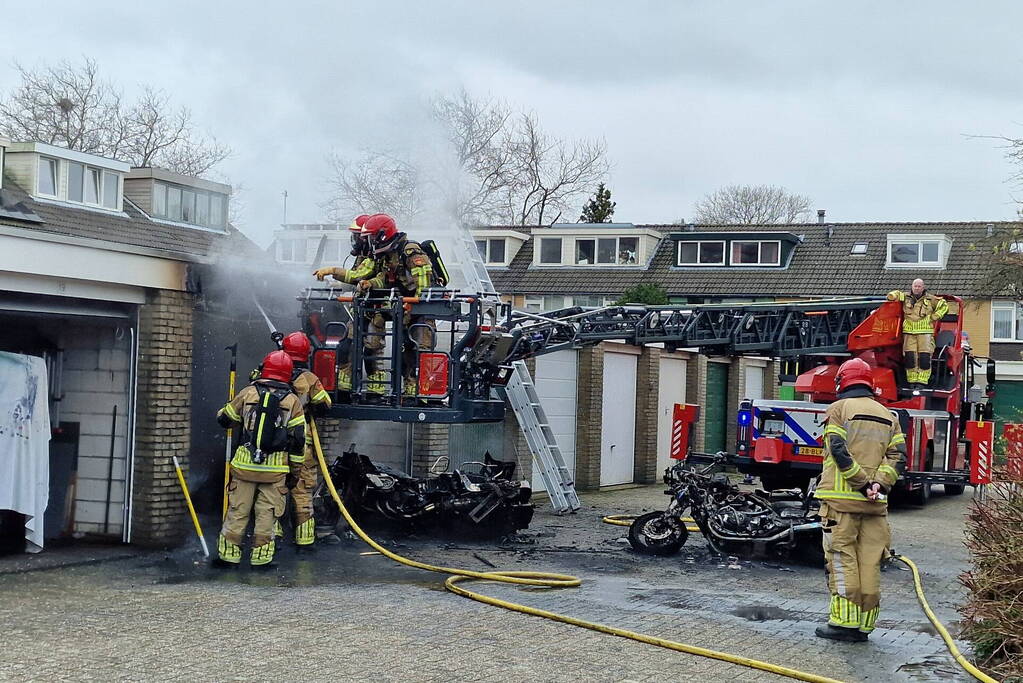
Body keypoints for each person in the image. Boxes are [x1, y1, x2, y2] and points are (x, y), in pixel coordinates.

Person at [814, 358, 906, 642]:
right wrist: (879, 484)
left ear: (842, 382)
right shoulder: (889, 415)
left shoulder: (839, 409)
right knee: (870, 562)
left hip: (840, 504)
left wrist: (862, 483)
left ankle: (843, 624)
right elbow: (898, 456)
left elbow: (838, 451)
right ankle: (866, 624)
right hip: (876, 504)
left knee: (842, 559)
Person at [216, 350, 306, 567]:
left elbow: (224, 418)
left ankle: (229, 557)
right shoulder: (293, 401)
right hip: (275, 470)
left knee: (238, 511)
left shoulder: (248, 393)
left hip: (243, 467)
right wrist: (294, 473)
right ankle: (261, 560)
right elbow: (298, 441)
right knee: (267, 515)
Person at [358, 213, 439, 396]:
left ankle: (419, 392)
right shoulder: (388, 254)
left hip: (422, 310)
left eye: (372, 237)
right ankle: (402, 389)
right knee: (402, 347)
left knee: (419, 350)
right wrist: (370, 283)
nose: (370, 242)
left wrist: (412, 308)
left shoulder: (410, 251)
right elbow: (386, 280)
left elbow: (424, 287)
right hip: (404, 308)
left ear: (382, 235)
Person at [311, 214, 387, 394]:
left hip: (375, 311)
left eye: (356, 236)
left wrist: (332, 271)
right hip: (361, 310)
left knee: (372, 350)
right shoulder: (364, 256)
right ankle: (345, 385)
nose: (354, 240)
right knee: (347, 345)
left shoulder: (376, 256)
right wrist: (338, 285)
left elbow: (358, 276)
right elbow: (354, 279)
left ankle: (377, 389)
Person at [281, 332, 332, 550]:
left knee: (273, 491)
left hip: (274, 442)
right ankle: (304, 542)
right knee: (302, 491)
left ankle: (272, 538)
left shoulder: (267, 375)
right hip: (302, 444)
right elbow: (324, 404)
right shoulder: (309, 378)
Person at [886, 279, 949, 390]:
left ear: (923, 287)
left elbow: (944, 306)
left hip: (925, 332)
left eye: (919, 286)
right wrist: (891, 295)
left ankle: (922, 382)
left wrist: (935, 316)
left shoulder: (930, 299)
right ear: (912, 286)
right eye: (915, 286)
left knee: (924, 357)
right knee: (910, 357)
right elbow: (895, 294)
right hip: (909, 332)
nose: (917, 288)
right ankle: (912, 381)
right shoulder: (905, 297)